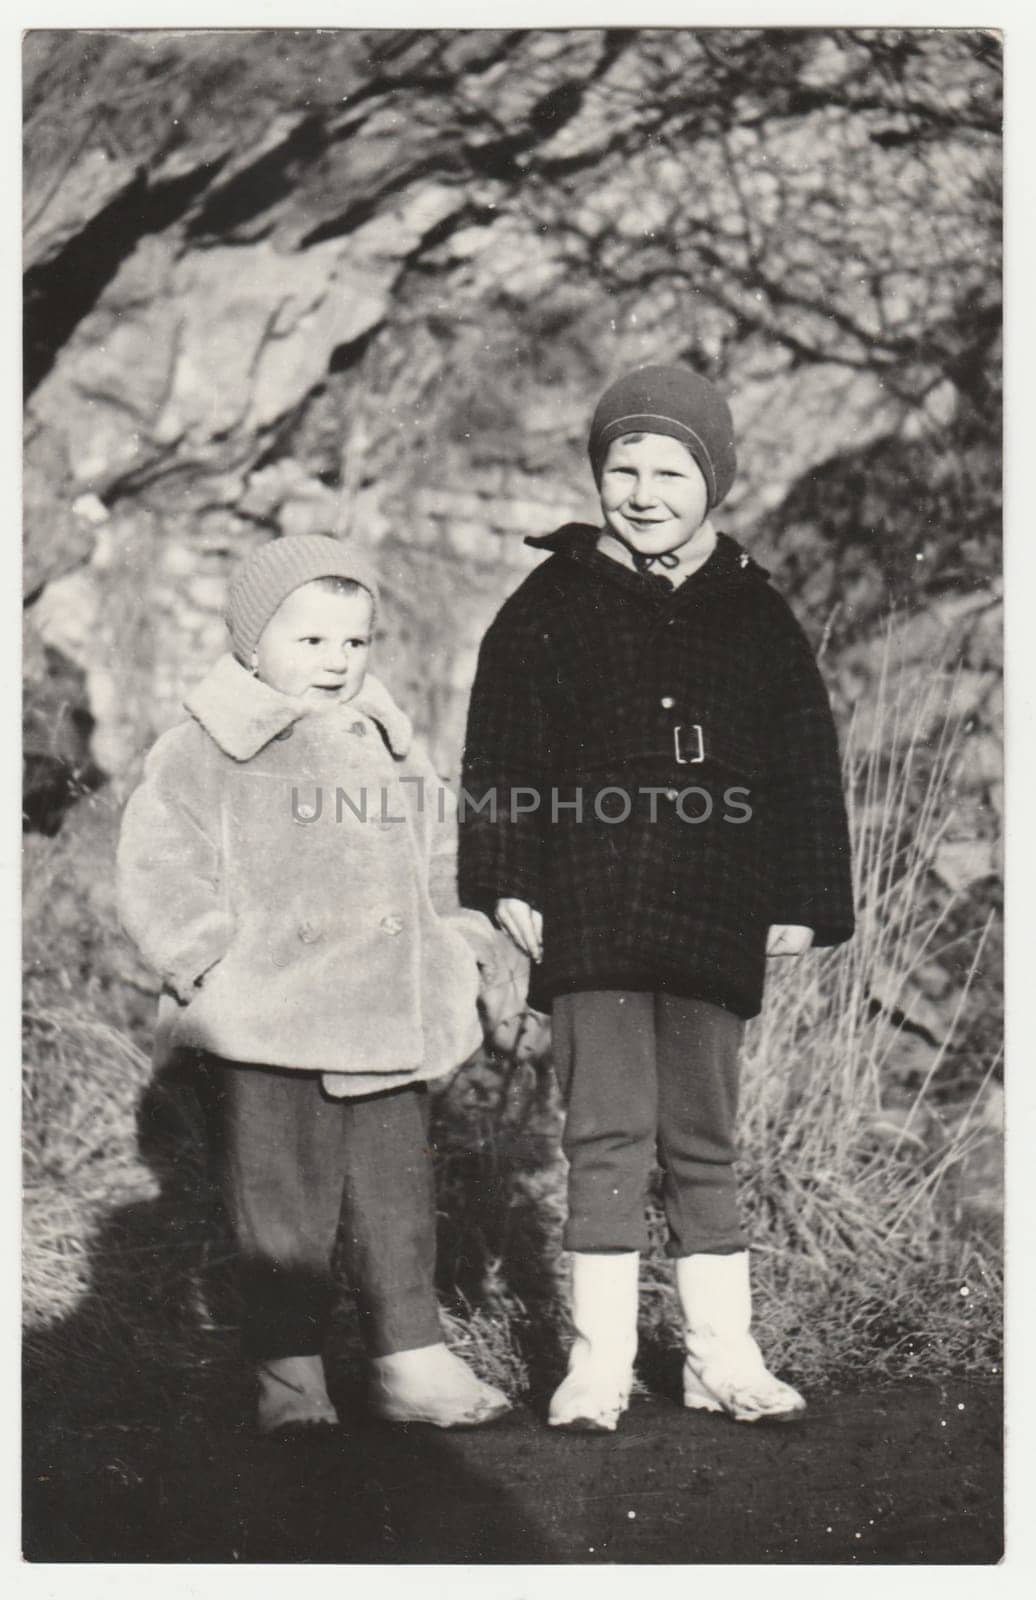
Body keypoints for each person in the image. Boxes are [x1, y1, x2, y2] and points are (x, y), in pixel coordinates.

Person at [458, 365, 855, 1432]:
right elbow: (500, 748)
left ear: (712, 482)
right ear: (596, 475)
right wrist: (505, 875)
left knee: (700, 1136)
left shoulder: (755, 612)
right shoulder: (547, 603)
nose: (641, 490)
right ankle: (599, 1364)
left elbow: (803, 763)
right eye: (620, 467)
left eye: (668, 469)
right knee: (605, 1135)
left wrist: (805, 894)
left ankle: (721, 1357)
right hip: (588, 907)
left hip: (715, 906)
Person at [118, 534, 513, 1434]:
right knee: (279, 1207)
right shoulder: (204, 746)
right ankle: (290, 1379)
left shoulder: (390, 743)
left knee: (396, 1193)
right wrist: (205, 955)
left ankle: (410, 1360)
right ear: (252, 644)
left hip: (384, 1008)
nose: (337, 662)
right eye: (311, 640)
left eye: (355, 642)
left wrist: (456, 940)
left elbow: (443, 850)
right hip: (270, 1012)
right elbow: (158, 861)